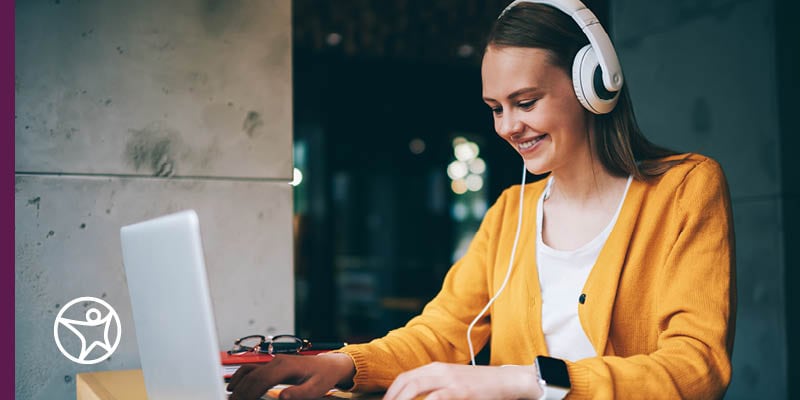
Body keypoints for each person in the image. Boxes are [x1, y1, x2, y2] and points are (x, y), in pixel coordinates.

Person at [228, 0, 736, 399]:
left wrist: (524, 381)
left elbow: (696, 368)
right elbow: (442, 332)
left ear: (593, 86)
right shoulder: (510, 214)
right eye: (496, 108)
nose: (508, 127)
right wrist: (341, 363)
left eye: (526, 101)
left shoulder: (686, 189)